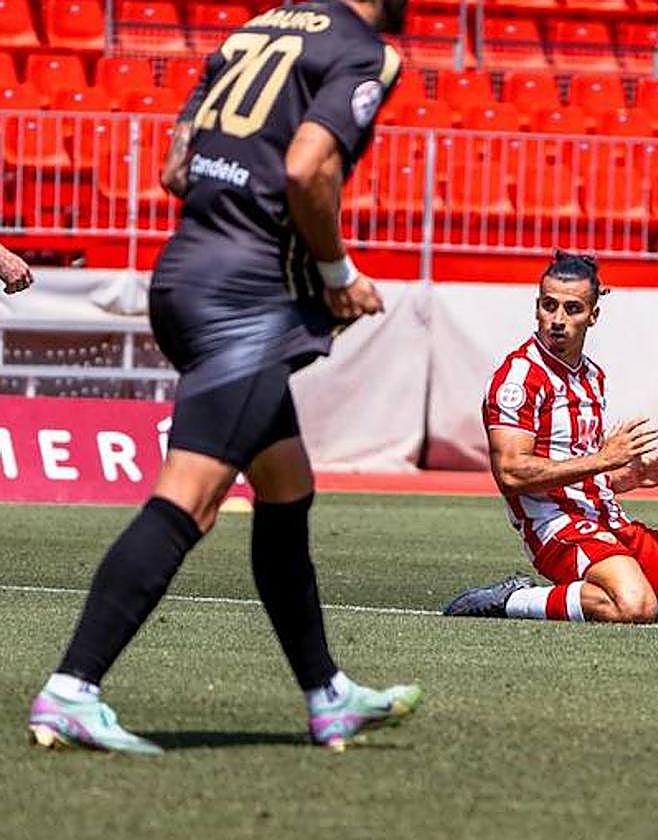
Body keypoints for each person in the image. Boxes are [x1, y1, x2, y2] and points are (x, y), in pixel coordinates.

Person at [27, 0, 421, 756]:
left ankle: (326, 694)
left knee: (286, 487)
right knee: (191, 501)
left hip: (185, 274)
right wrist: (336, 273)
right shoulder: (364, 50)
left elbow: (177, 165)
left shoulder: (256, 28)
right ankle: (73, 688)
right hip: (243, 304)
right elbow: (308, 165)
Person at [442, 250, 658, 625]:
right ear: (537, 307)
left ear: (593, 315)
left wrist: (624, 478)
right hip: (554, 526)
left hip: (605, 518)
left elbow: (578, 469)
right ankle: (513, 600)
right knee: (634, 606)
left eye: (572, 309)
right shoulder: (518, 379)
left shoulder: (591, 377)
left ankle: (620, 598)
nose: (558, 320)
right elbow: (511, 473)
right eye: (549, 306)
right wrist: (604, 459)